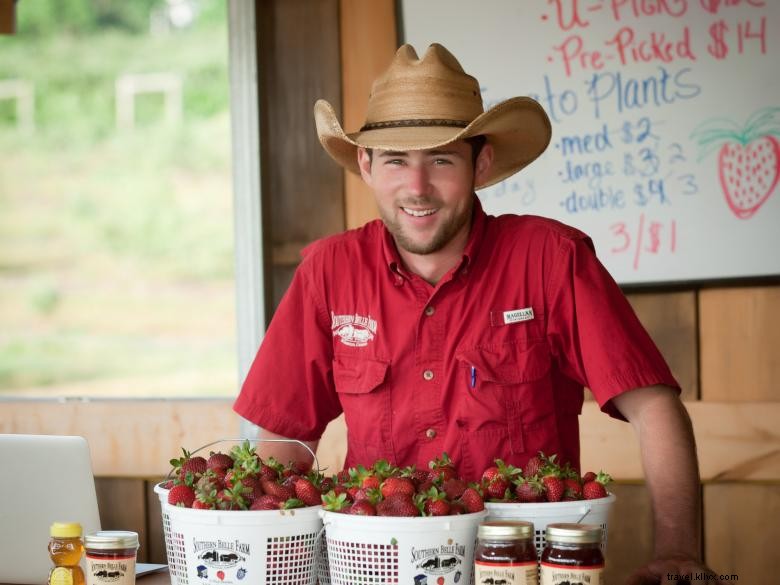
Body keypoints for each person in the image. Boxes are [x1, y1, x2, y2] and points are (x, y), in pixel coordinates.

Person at [234, 43, 713, 583]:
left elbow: (654, 407)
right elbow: (283, 444)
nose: (417, 188)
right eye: (395, 160)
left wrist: (678, 551)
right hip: (373, 569)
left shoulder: (552, 259)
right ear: (365, 165)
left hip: (528, 569)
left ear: (480, 163)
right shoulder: (327, 271)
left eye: (441, 159)